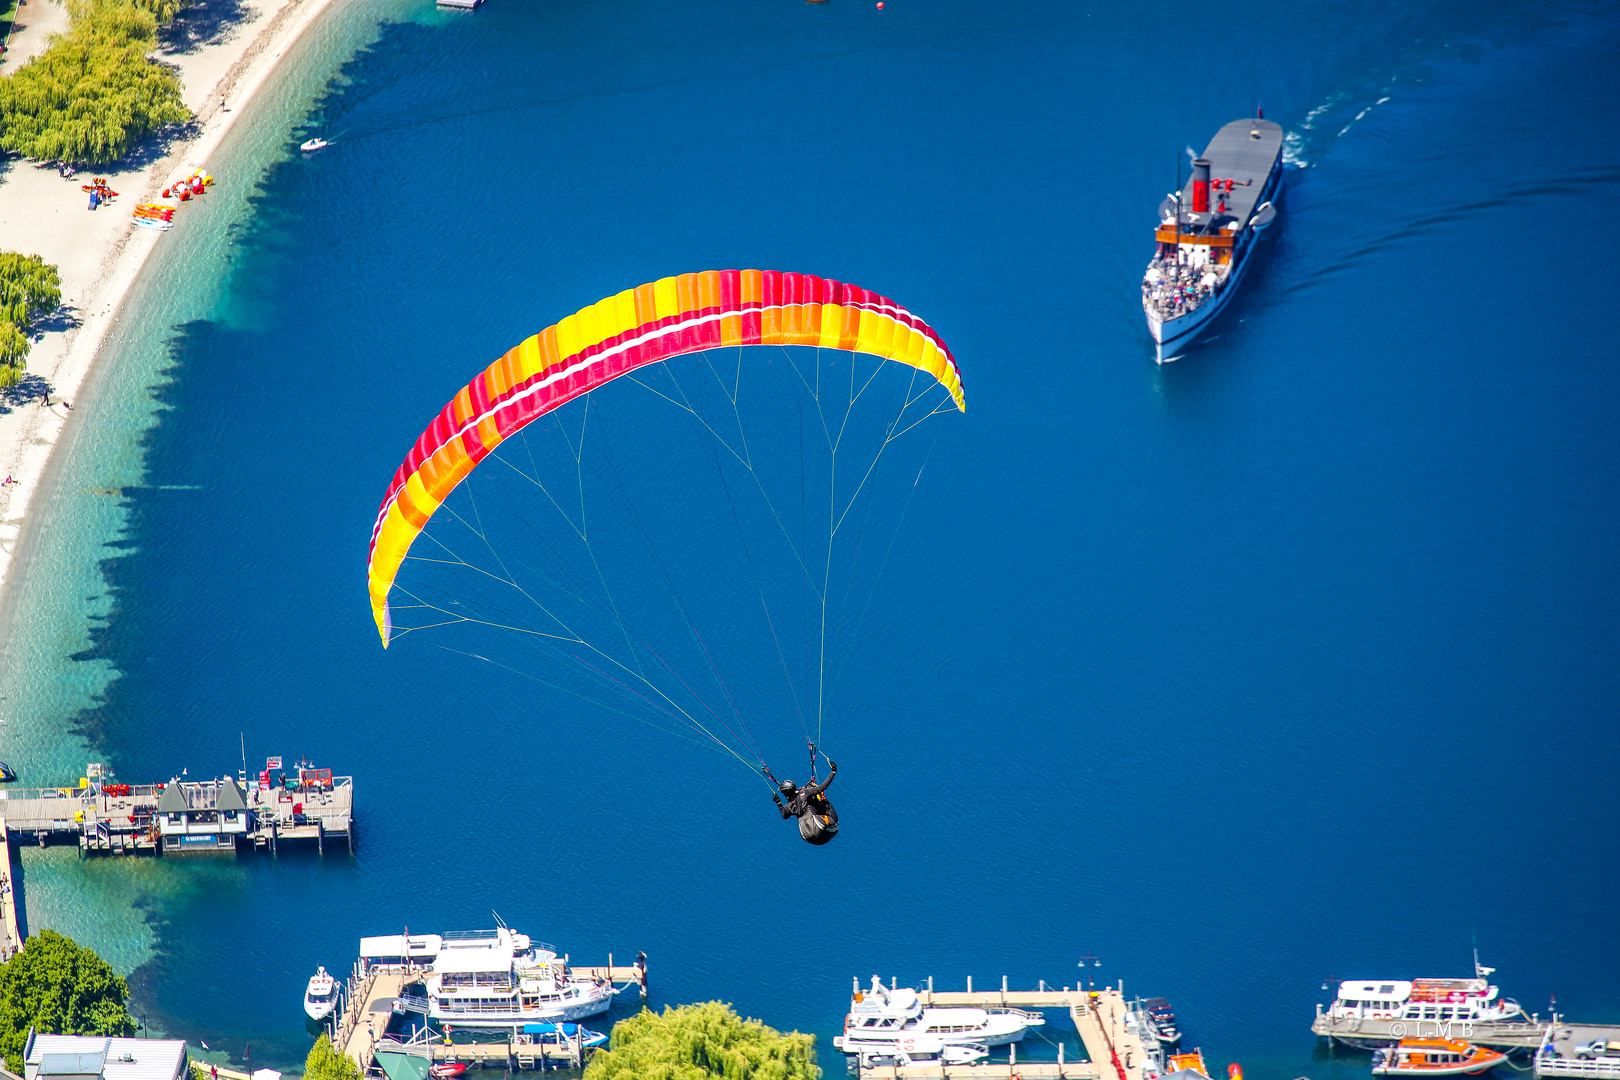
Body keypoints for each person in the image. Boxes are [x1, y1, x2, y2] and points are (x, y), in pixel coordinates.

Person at [772, 758, 838, 845]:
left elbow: (784, 815)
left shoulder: (788, 807)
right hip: (819, 828)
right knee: (826, 804)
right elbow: (823, 787)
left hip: (807, 835)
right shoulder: (805, 793)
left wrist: (778, 802)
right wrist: (833, 771)